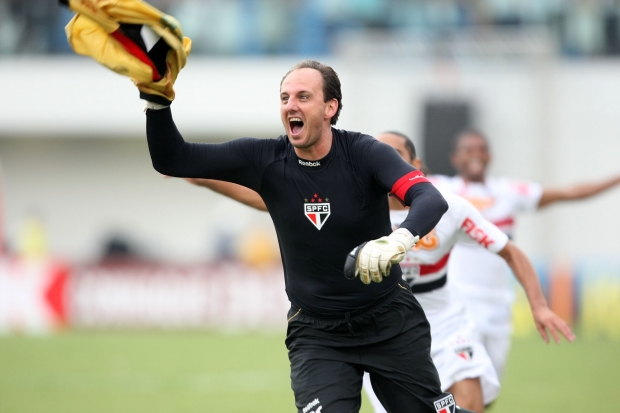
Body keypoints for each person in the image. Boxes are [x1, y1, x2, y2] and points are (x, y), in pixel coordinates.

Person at [144, 58, 463, 413]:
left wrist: (398, 240)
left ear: (330, 107)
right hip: (317, 335)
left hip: (391, 321)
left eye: (303, 96)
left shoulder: (365, 153)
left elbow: (429, 197)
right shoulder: (265, 158)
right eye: (285, 98)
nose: (290, 105)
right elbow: (172, 158)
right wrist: (157, 101)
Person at [186, 132, 575, 413]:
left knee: (469, 401)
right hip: (381, 327)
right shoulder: (354, 200)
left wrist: (539, 306)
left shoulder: (445, 206)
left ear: (413, 166)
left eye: (394, 156)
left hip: (443, 322)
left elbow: (509, 250)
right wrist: (205, 179)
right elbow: (271, 200)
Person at [430, 130, 620, 380]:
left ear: (490, 156)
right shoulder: (441, 189)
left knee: (489, 387)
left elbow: (569, 193)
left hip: (498, 306)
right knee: (461, 382)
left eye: (482, 149)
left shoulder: (508, 191)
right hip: (457, 304)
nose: (476, 154)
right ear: (455, 158)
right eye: (468, 149)